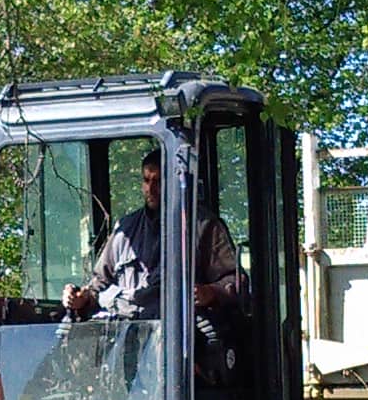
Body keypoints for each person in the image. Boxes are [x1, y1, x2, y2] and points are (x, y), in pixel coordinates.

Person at [63, 149, 247, 374]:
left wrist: (211, 292)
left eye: (158, 181)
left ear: (174, 181)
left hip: (177, 346)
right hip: (125, 341)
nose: (151, 188)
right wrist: (81, 298)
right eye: (146, 180)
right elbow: (99, 283)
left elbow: (235, 282)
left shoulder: (202, 227)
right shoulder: (125, 230)